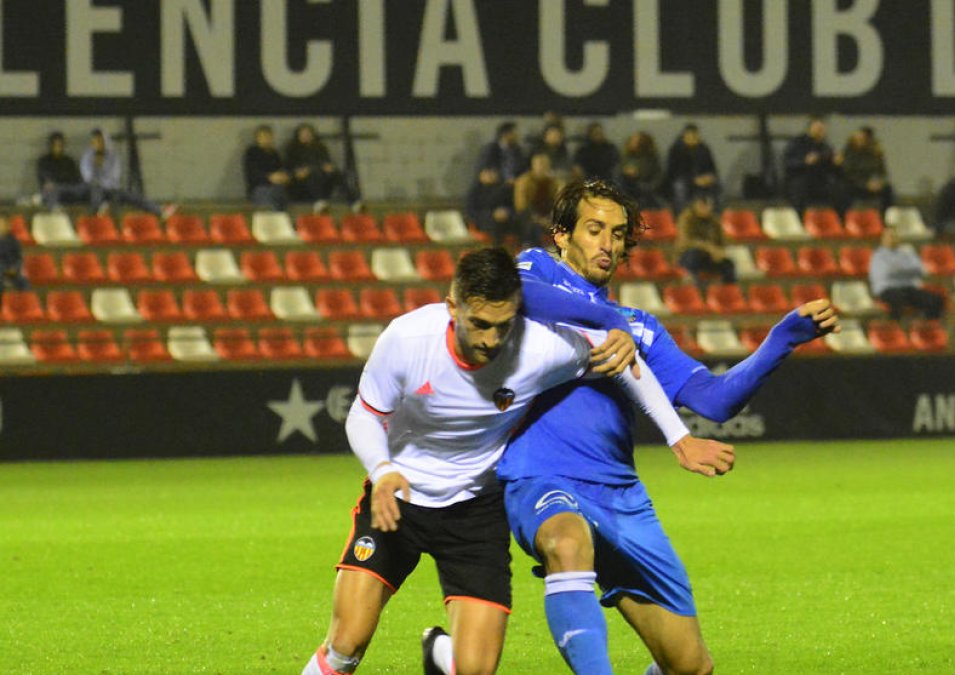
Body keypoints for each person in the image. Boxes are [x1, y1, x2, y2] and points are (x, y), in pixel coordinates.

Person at [302, 246, 732, 675]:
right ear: (453, 306)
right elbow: (364, 414)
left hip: (476, 511)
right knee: (346, 645)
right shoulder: (407, 339)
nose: (490, 340)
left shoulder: (539, 348)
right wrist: (382, 470)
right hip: (397, 500)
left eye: (503, 326)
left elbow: (621, 359)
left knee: (476, 671)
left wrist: (679, 436)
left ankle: (442, 655)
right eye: (479, 324)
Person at [468, 179, 839, 675]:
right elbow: (518, 295)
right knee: (567, 542)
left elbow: (715, 399)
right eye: (594, 229)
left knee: (690, 666)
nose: (608, 244)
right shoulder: (535, 270)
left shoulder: (637, 325)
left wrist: (781, 339)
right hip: (540, 477)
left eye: (618, 234)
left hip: (621, 497)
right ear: (562, 235)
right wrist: (605, 318)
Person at [79, 129, 175, 218]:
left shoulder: (113, 156)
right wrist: (97, 167)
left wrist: (105, 182)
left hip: (112, 189)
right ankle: (98, 213)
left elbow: (115, 176)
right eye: (97, 142)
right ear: (92, 143)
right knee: (96, 192)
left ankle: (160, 211)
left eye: (102, 141)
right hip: (95, 189)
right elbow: (88, 178)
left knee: (133, 197)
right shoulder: (87, 157)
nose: (100, 144)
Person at [868, 225, 944, 321]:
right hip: (888, 290)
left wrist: (898, 270)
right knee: (897, 299)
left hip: (909, 289)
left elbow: (920, 270)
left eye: (895, 236)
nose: (893, 239)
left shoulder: (907, 252)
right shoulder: (878, 256)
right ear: (883, 238)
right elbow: (887, 272)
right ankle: (895, 329)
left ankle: (928, 327)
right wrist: (908, 271)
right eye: (890, 236)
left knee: (935, 299)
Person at [283, 123, 362, 214]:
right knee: (313, 174)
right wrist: (296, 172)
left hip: (320, 176)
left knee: (336, 173)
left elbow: (326, 162)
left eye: (308, 133)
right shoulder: (292, 149)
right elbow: (288, 167)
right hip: (300, 183)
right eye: (304, 134)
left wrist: (328, 167)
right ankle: (319, 201)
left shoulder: (320, 147)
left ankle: (354, 201)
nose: (306, 136)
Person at [782, 116, 840, 214]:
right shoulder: (797, 143)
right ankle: (799, 219)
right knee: (799, 186)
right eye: (818, 129)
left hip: (820, 179)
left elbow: (830, 167)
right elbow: (788, 162)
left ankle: (838, 219)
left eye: (822, 129)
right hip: (800, 177)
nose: (820, 132)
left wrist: (836, 162)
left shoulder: (825, 146)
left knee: (838, 187)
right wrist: (805, 162)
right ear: (810, 128)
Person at [675, 194, 734, 289]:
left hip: (709, 256)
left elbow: (722, 241)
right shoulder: (686, 218)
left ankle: (729, 292)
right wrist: (709, 248)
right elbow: (687, 241)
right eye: (702, 206)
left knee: (728, 264)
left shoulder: (714, 220)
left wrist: (720, 252)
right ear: (695, 206)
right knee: (694, 254)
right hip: (687, 256)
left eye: (708, 206)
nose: (705, 209)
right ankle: (692, 285)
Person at [664, 124, 721, 213]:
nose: (693, 139)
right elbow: (673, 173)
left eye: (695, 136)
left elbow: (712, 168)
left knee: (717, 186)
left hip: (702, 180)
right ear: (684, 136)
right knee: (679, 187)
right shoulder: (676, 150)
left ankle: (714, 217)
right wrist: (693, 180)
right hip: (683, 180)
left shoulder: (704, 150)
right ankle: (681, 216)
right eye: (690, 136)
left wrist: (709, 177)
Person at [512, 153, 562, 248]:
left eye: (545, 165)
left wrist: (550, 218)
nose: (542, 168)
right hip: (528, 215)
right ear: (533, 166)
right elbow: (521, 206)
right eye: (539, 164)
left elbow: (557, 202)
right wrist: (539, 220)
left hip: (546, 214)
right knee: (534, 228)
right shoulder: (524, 181)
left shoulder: (552, 182)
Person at [839, 126, 893, 213]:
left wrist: (879, 182)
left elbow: (882, 172)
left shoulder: (875, 154)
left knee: (888, 190)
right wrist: (865, 184)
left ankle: (884, 218)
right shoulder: (849, 153)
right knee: (843, 189)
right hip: (856, 184)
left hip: (873, 184)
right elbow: (848, 174)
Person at [243, 125, 290, 212]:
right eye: (263, 137)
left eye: (268, 137)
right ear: (257, 138)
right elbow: (252, 173)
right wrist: (269, 177)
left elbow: (281, 169)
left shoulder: (274, 153)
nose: (266, 139)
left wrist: (284, 177)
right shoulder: (252, 152)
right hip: (260, 187)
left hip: (277, 187)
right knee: (268, 203)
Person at [37, 131, 89, 209]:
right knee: (52, 190)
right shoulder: (44, 161)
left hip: (68, 189)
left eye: (60, 145)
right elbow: (47, 182)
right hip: (54, 191)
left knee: (84, 187)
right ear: (51, 146)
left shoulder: (69, 161)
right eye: (56, 145)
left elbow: (76, 179)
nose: (58, 148)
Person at [464, 167, 515, 244]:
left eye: (492, 172)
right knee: (495, 225)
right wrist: (492, 215)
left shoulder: (505, 190)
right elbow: (471, 212)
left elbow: (513, 206)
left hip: (506, 220)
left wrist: (506, 212)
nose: (490, 175)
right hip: (482, 222)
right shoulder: (474, 192)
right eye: (487, 172)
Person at [616, 131, 663, 209]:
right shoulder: (625, 156)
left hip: (645, 188)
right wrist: (625, 172)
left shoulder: (651, 158)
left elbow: (657, 177)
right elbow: (618, 171)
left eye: (635, 141)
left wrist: (638, 174)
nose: (632, 143)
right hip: (627, 186)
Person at [476, 121, 527, 186]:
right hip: (493, 185)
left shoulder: (518, 150)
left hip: (514, 185)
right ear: (505, 134)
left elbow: (523, 169)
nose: (518, 135)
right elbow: (484, 171)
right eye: (514, 133)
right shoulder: (491, 149)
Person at [0, 216, 30, 301]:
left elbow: (19, 258)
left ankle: (24, 305)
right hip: (1, 270)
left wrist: (15, 268)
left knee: (24, 283)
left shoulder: (14, 241)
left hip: (13, 270)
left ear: (8, 226)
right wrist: (4, 269)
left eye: (3, 224)